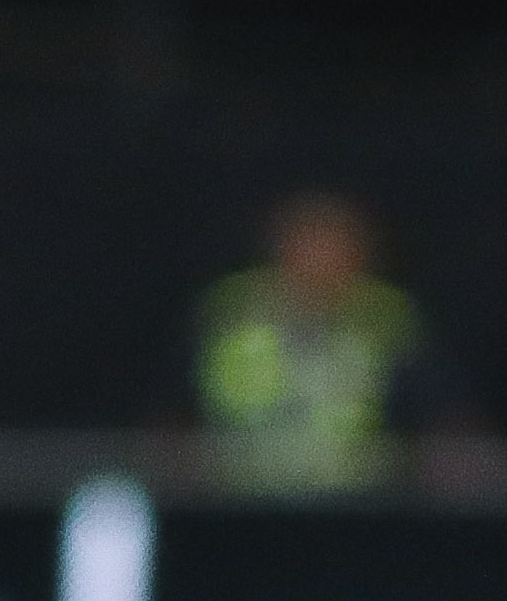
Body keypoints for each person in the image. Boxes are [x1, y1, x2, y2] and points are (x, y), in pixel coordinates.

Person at [191, 192, 446, 495]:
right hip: (238, 504)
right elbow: (170, 420)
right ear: (279, 248)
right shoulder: (230, 309)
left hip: (360, 506)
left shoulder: (388, 318)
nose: (318, 259)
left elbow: (443, 422)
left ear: (360, 256)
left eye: (332, 247)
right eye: (307, 244)